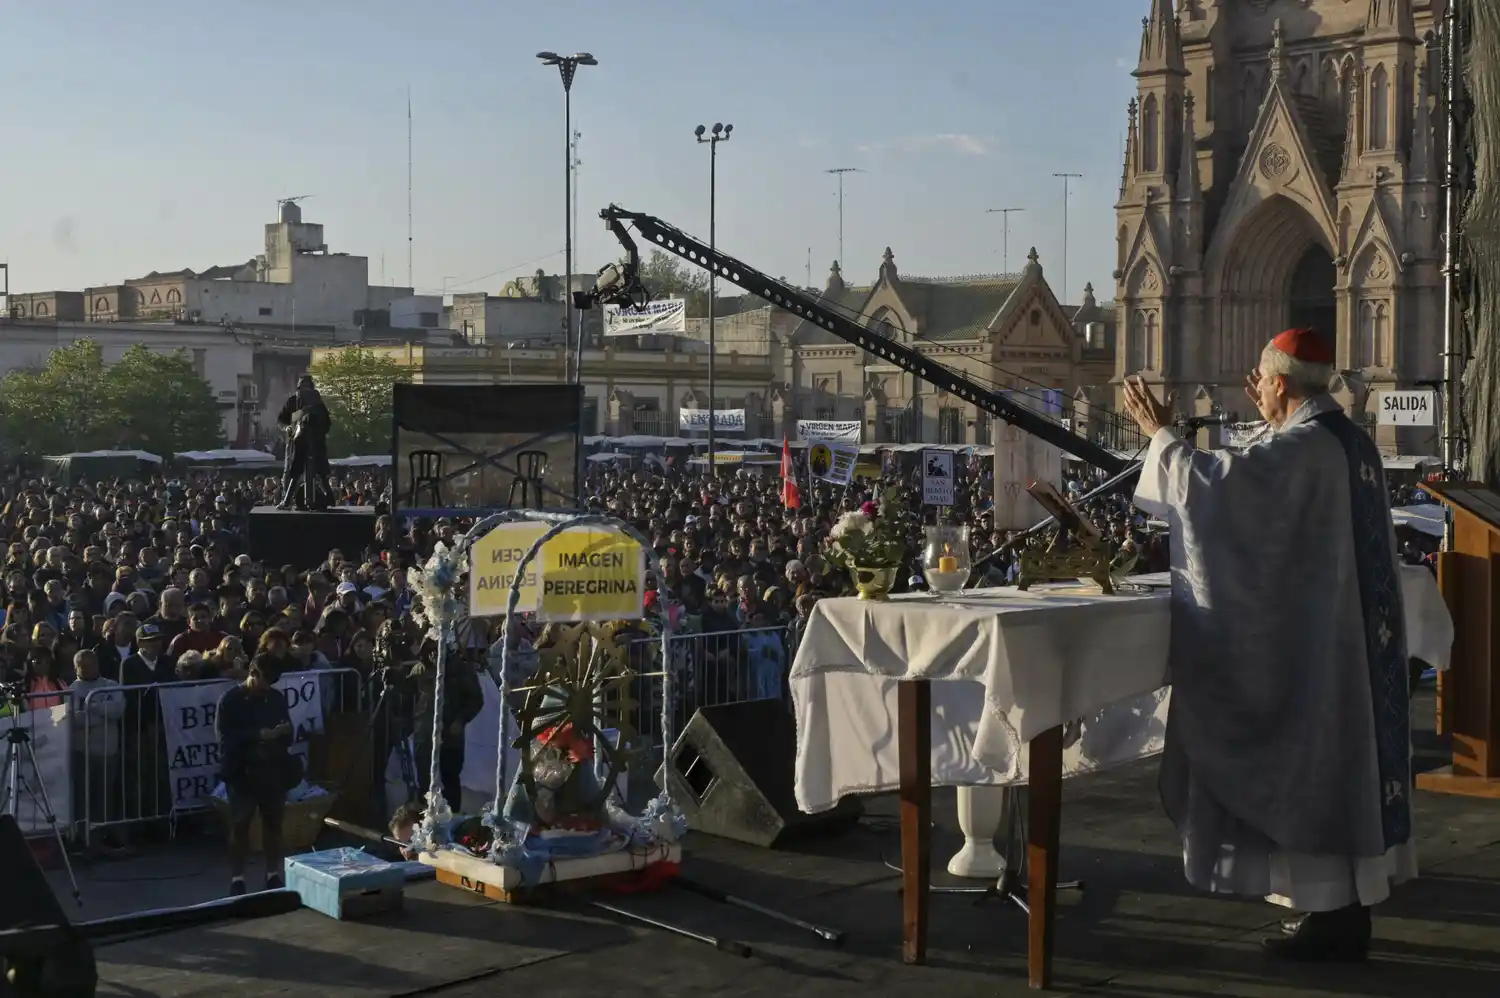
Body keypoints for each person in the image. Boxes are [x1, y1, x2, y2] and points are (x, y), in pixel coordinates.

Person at [1122, 327, 1413, 962]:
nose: (1255, 387)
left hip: (1318, 660)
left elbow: (1216, 489)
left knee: (1315, 769)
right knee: (1339, 771)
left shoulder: (1308, 446)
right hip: (1344, 646)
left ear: (1281, 382)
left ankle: (1333, 918)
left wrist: (1159, 435)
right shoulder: (1346, 441)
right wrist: (1272, 420)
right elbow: (1264, 483)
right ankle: (1341, 913)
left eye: (1263, 378)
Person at [216, 654, 298, 895]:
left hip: (272, 770)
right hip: (242, 771)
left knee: (273, 825)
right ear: (253, 673)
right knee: (240, 825)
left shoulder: (276, 698)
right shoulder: (230, 700)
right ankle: (237, 878)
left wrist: (283, 732)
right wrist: (259, 735)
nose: (267, 688)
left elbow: (288, 734)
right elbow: (224, 739)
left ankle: (273, 874)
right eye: (264, 681)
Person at [277, 373, 333, 511]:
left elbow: (326, 423)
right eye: (303, 387)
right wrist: (288, 427)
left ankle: (330, 497)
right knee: (294, 472)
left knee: (321, 472)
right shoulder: (292, 401)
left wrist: (316, 429)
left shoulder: (318, 404)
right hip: (297, 444)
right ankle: (287, 500)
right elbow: (281, 420)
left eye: (308, 388)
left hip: (315, 442)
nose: (305, 391)